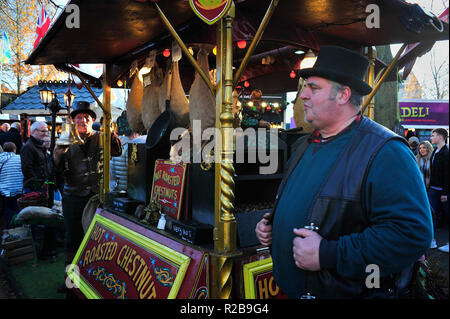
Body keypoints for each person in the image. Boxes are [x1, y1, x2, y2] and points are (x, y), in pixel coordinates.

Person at [255, 46, 432, 299]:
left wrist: (328, 253)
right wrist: (274, 225)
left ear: (343, 95)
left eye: (313, 88)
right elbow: (315, 205)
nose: (302, 95)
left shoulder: (385, 152)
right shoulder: (304, 145)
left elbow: (411, 234)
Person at [51, 101, 122, 292]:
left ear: (93, 121)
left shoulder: (102, 137)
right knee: (73, 241)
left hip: (98, 196)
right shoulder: (63, 140)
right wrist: (57, 155)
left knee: (100, 241)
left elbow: (118, 151)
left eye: (87, 118)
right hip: (73, 197)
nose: (83, 121)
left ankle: (97, 280)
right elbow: (53, 172)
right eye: (79, 118)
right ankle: (70, 282)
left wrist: (110, 130)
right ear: (73, 121)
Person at [429, 128, 449, 253]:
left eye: (433, 135)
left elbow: (447, 174)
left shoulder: (446, 153)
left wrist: (445, 193)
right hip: (433, 189)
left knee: (448, 216)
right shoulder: (435, 151)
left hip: (443, 191)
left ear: (440, 137)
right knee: (431, 215)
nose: (431, 137)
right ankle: (432, 239)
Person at [416, 140, 437, 249]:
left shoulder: (432, 159)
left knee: (431, 214)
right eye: (420, 148)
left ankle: (432, 239)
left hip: (431, 189)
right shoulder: (417, 159)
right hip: (420, 190)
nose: (422, 150)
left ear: (428, 148)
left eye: (424, 148)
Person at [20, 121, 50, 193]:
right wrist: (37, 182)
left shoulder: (38, 145)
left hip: (40, 185)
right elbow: (26, 168)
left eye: (47, 131)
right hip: (33, 187)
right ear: (34, 131)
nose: (45, 134)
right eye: (43, 131)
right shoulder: (28, 147)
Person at [0, 142, 23, 229]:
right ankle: (18, 228)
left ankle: (9, 228)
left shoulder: (0, 159)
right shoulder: (19, 158)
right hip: (18, 188)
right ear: (14, 149)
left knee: (7, 209)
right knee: (18, 209)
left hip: (4, 190)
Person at [110, 124, 139, 191]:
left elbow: (112, 167)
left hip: (116, 186)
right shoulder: (130, 147)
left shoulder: (116, 145)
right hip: (127, 188)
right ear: (134, 135)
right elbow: (132, 172)